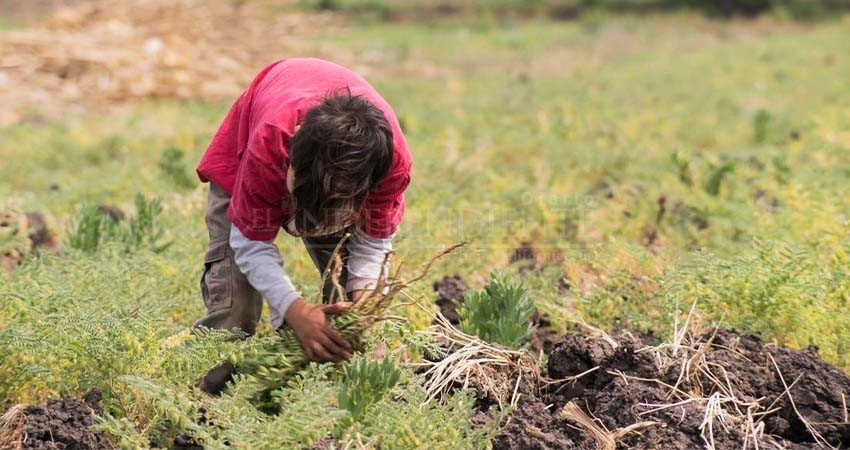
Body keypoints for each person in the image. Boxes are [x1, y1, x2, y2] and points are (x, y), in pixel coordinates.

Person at [193, 58, 412, 394]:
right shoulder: (270, 144)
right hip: (255, 155)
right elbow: (250, 244)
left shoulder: (387, 165)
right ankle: (198, 403)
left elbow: (371, 246)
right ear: (291, 154)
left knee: (355, 323)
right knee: (235, 312)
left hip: (344, 177)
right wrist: (294, 310)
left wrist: (364, 301)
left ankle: (338, 402)